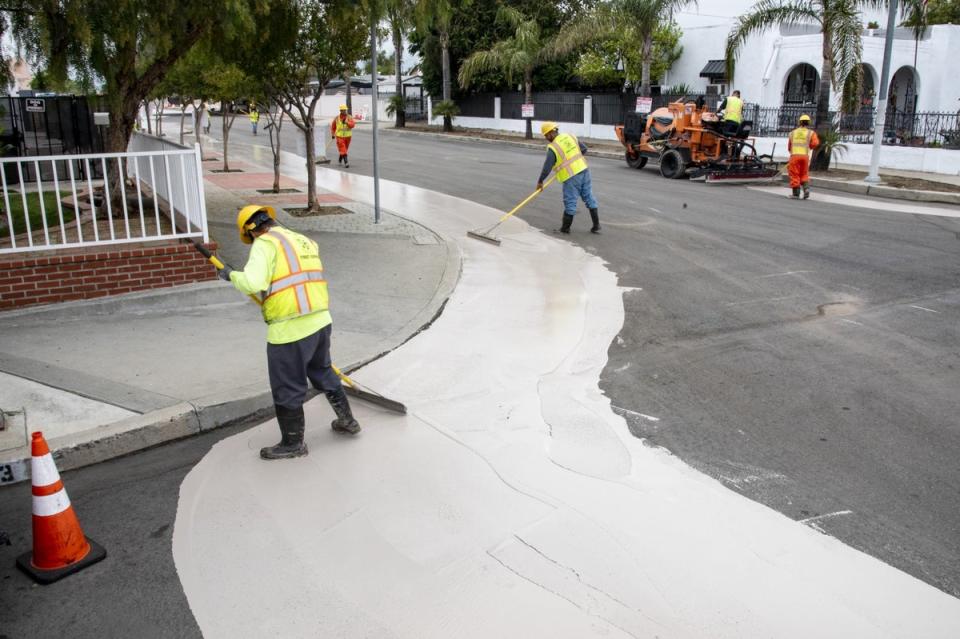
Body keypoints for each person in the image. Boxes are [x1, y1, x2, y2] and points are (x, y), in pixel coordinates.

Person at [218, 205, 361, 460]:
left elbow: (253, 283)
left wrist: (231, 275)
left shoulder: (265, 243)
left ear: (251, 231)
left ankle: (293, 444)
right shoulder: (303, 240)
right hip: (320, 320)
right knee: (323, 371)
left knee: (287, 386)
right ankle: (348, 421)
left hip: (290, 329)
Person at [536, 122, 600, 234]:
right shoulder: (570, 136)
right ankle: (596, 225)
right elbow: (584, 149)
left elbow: (547, 167)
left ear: (551, 132)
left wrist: (540, 180)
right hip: (584, 170)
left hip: (571, 176)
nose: (546, 138)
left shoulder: (553, 147)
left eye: (546, 135)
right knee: (589, 196)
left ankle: (565, 228)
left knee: (570, 201)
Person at [787, 114, 820, 199]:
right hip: (805, 157)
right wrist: (810, 147)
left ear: (799, 122)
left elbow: (789, 147)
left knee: (794, 174)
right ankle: (806, 189)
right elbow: (815, 143)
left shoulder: (793, 133)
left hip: (794, 156)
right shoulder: (811, 133)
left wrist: (792, 151)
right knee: (804, 174)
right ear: (808, 123)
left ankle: (796, 194)